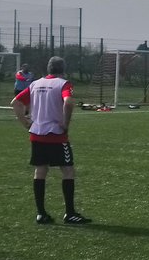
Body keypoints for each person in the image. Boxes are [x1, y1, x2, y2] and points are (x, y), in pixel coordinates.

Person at [12, 56, 91, 225]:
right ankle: (69, 213)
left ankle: (41, 214)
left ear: (48, 69)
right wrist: (65, 124)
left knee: (40, 171)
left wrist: (25, 122)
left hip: (37, 134)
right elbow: (68, 102)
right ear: (63, 69)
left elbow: (16, 102)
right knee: (68, 171)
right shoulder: (63, 84)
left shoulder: (35, 84)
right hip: (56, 135)